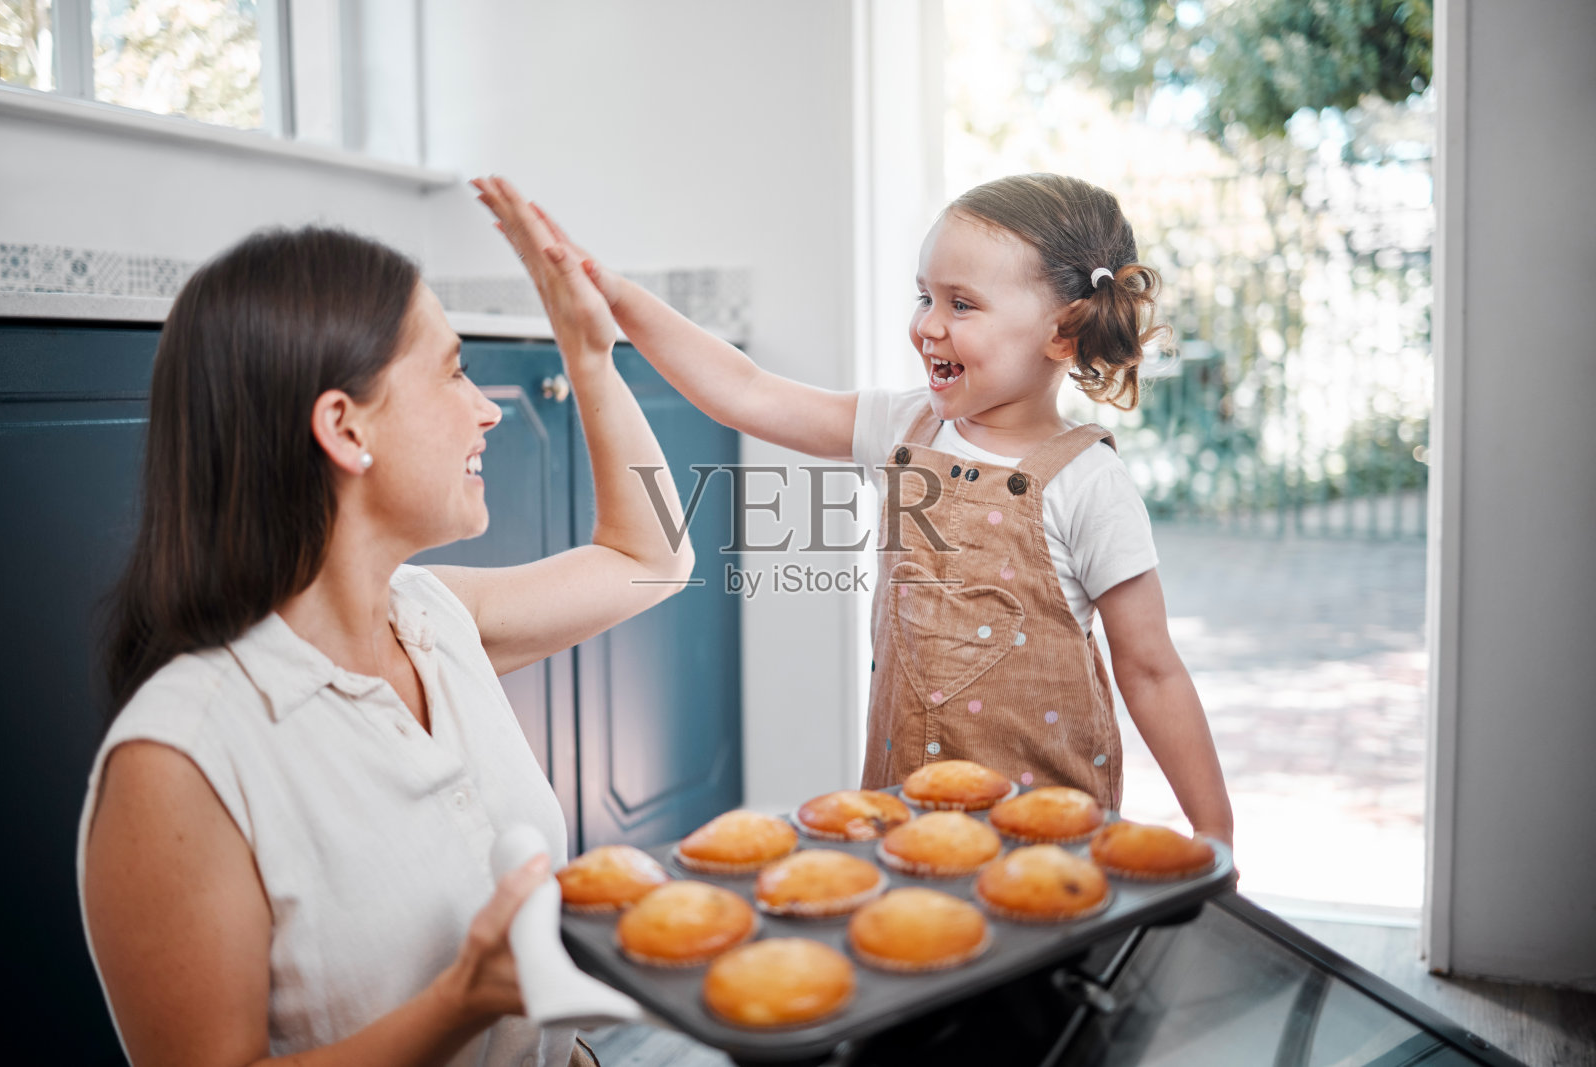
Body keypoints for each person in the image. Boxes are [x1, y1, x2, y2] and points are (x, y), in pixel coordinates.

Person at [78, 176, 689, 1066]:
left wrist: (590, 355)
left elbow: (655, 558)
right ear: (345, 427)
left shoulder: (435, 617)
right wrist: (461, 1002)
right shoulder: (178, 763)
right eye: (453, 369)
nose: (487, 408)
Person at [533, 172, 1233, 845]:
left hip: (1044, 836)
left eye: (961, 304)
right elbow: (746, 391)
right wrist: (618, 299)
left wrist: (1214, 832)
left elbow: (1150, 670)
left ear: (1063, 332)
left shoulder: (1088, 482)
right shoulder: (902, 428)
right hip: (903, 816)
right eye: (923, 296)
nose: (927, 324)